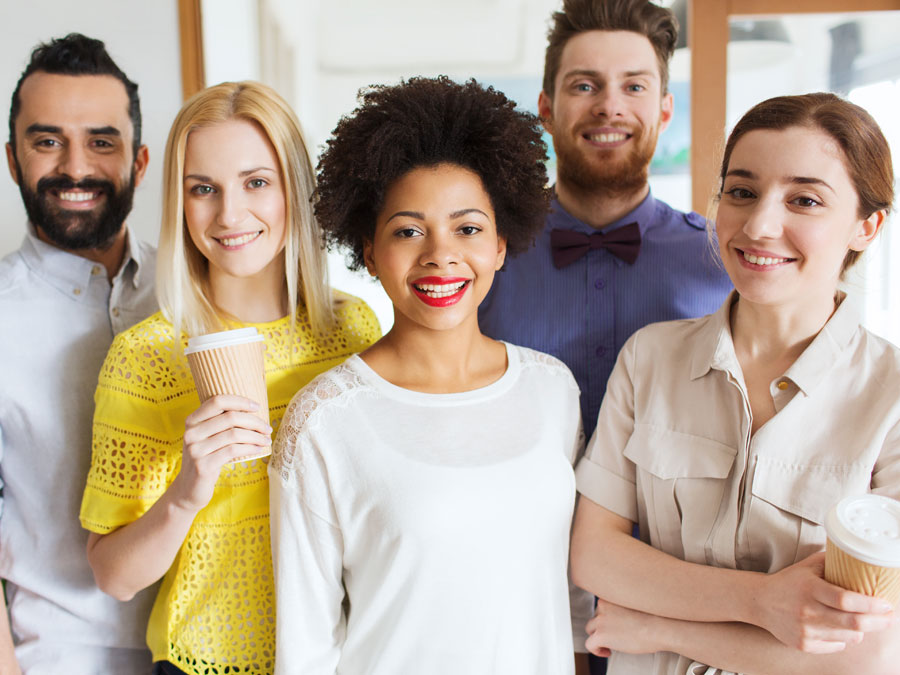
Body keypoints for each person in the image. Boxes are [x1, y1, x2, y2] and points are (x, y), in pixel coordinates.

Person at [269, 76, 594, 675]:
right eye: (408, 230)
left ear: (500, 243)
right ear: (369, 251)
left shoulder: (553, 391)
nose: (440, 254)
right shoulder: (324, 421)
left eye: (467, 229)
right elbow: (305, 647)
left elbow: (569, 596)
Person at [570, 92, 900, 674]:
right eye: (742, 192)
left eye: (804, 200)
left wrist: (654, 624)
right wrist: (763, 603)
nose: (759, 224)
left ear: (866, 226)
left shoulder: (891, 396)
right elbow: (594, 556)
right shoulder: (650, 357)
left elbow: (870, 655)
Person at [78, 81, 380, 675]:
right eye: (203, 189)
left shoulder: (356, 330)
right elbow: (112, 576)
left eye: (256, 182)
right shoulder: (147, 359)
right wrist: (188, 490)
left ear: (295, 187)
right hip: (206, 662)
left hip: (346, 656)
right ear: (180, 201)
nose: (230, 214)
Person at [479, 0, 732, 438]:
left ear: (665, 111)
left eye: (634, 87)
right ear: (546, 109)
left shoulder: (723, 259)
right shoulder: (480, 255)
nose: (609, 107)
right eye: (584, 86)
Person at [0, 33, 156, 674]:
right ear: (12, 160)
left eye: (100, 141)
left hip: (214, 647)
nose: (75, 167)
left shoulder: (196, 289)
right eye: (47, 141)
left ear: (138, 162)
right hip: (57, 657)